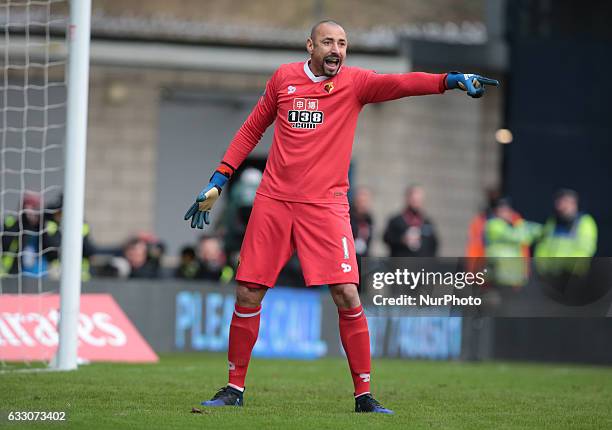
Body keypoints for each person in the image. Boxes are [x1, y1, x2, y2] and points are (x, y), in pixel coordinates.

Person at [183, 20, 498, 413]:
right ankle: (233, 389)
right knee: (248, 290)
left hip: (327, 206)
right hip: (275, 201)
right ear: (310, 46)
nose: (337, 49)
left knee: (347, 292)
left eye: (343, 43)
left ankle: (363, 396)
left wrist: (451, 79)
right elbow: (251, 129)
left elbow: (402, 83)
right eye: (329, 42)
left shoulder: (356, 83)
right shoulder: (283, 79)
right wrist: (220, 178)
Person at [534, 189, 597, 276]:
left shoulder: (585, 221)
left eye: (564, 203)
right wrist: (541, 267)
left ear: (573, 204)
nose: (560, 206)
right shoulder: (552, 221)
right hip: (550, 275)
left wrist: (569, 268)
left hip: (572, 275)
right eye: (558, 202)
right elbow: (543, 246)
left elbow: (585, 249)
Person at [484, 198, 541, 288]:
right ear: (496, 212)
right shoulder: (493, 225)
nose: (505, 213)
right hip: (498, 277)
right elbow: (516, 237)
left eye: (507, 210)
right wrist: (526, 230)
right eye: (501, 210)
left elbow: (538, 230)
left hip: (512, 277)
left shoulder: (514, 225)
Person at [383, 184, 438, 257]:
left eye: (418, 199)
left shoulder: (427, 222)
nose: (416, 201)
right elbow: (387, 238)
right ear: (407, 198)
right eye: (413, 199)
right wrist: (402, 240)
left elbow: (434, 244)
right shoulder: (396, 220)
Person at [1, 192, 46, 277]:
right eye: (30, 207)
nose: (33, 212)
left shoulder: (44, 229)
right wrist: (25, 219)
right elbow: (6, 243)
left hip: (39, 275)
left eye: (36, 208)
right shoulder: (13, 226)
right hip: (13, 274)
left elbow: (52, 249)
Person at [350, 186, 374, 259]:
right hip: (350, 257)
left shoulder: (369, 219)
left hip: (363, 257)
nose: (363, 204)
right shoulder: (348, 217)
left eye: (365, 201)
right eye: (360, 201)